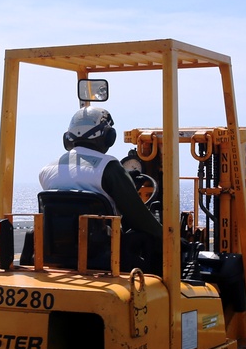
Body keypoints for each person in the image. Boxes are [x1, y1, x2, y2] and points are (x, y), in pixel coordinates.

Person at [38, 107, 163, 271]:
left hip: (55, 256)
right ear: (108, 137)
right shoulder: (109, 167)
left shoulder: (47, 170)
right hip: (103, 258)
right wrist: (171, 239)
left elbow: (75, 186)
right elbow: (139, 219)